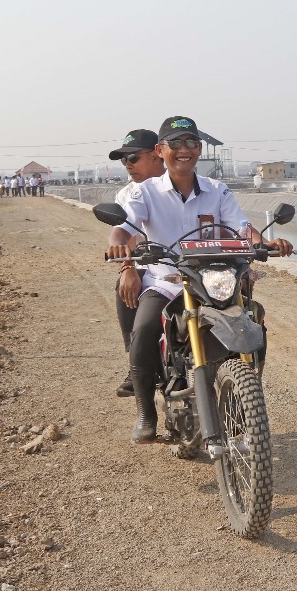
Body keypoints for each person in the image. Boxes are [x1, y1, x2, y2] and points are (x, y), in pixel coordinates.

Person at [105, 116, 294, 443]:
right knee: (144, 328)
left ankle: (245, 393)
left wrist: (263, 243)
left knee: (253, 321)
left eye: (191, 142)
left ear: (199, 149)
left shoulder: (217, 190)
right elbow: (125, 228)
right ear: (160, 150)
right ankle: (145, 411)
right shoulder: (145, 192)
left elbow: (240, 228)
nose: (184, 149)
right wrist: (119, 247)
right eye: (175, 143)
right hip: (166, 282)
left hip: (212, 280)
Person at [106, 128, 165, 397]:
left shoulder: (190, 185)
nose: (128, 165)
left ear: (157, 154)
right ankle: (137, 362)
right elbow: (125, 232)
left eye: (133, 157)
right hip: (149, 261)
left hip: (191, 260)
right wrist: (128, 267)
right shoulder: (128, 194)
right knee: (126, 286)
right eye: (124, 160)